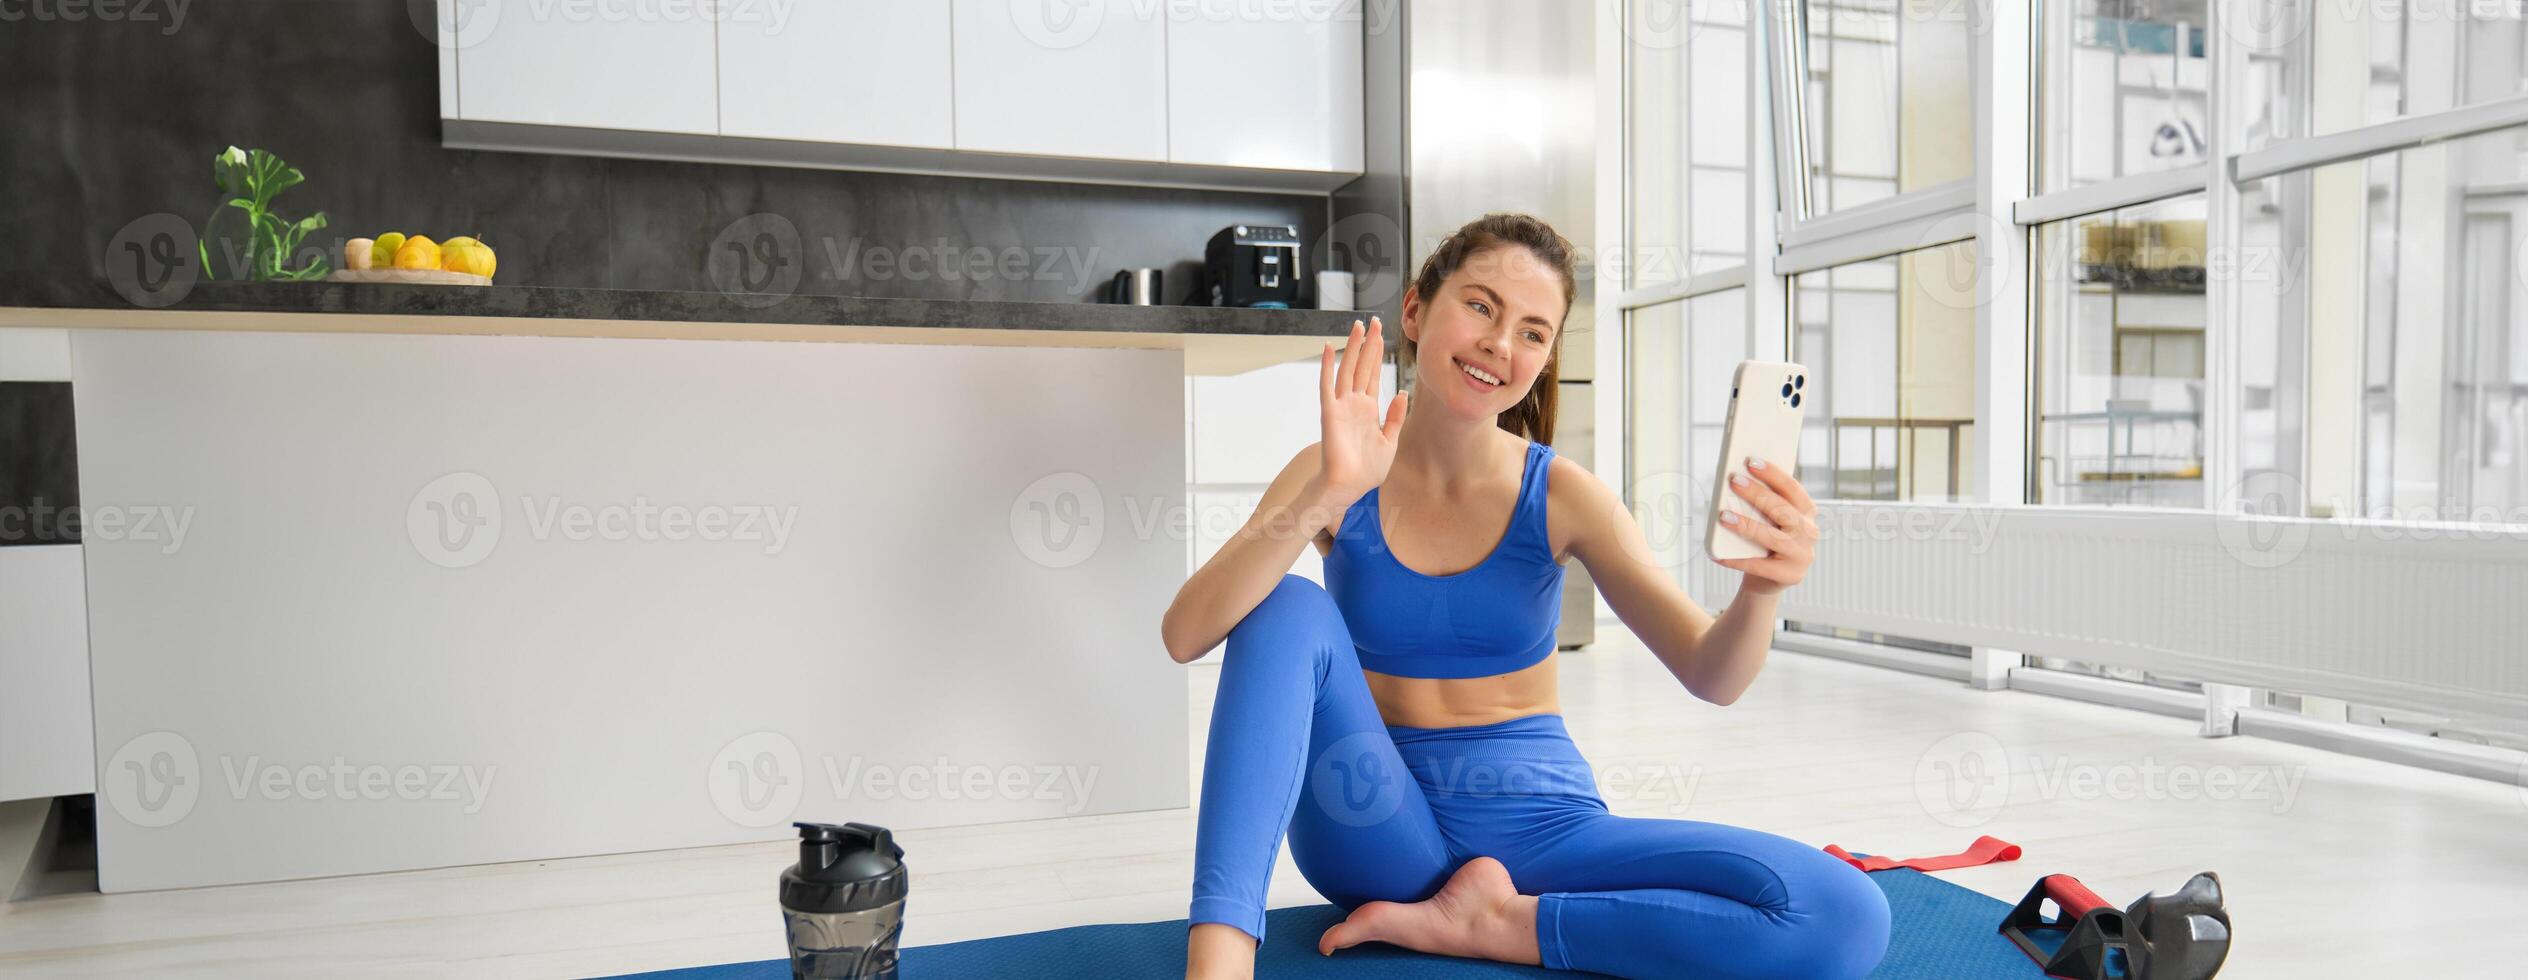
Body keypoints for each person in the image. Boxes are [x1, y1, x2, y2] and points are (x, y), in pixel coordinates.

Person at [1158, 213, 1890, 979]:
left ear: (1544, 360)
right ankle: (1218, 963)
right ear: (1416, 311)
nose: (1500, 345)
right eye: (1479, 306)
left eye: (1533, 333)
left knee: (1840, 914)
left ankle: (1501, 926)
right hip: (1372, 820)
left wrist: (1762, 590)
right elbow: (1186, 633)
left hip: (1543, 832)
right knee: (1286, 604)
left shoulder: (1567, 496)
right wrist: (1328, 491)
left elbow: (1713, 673)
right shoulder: (1334, 469)